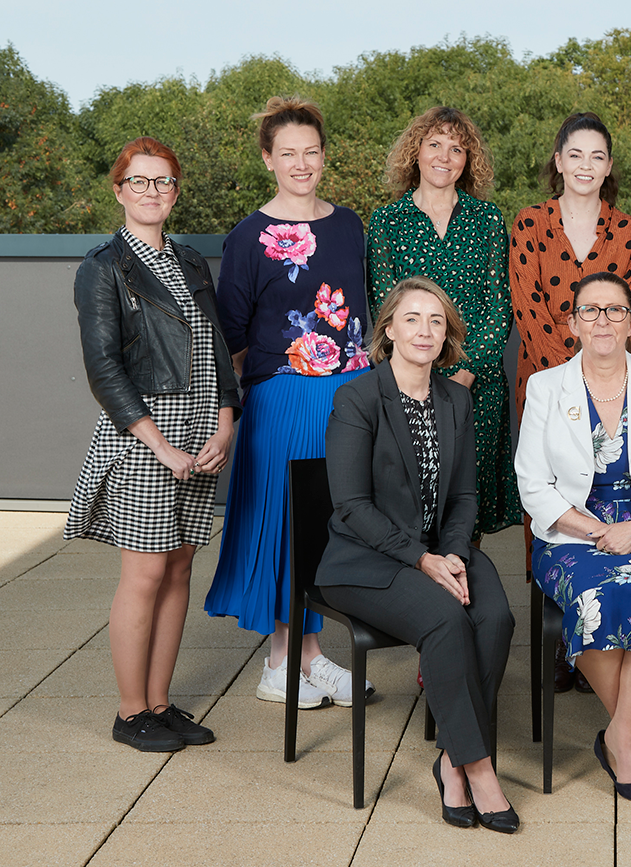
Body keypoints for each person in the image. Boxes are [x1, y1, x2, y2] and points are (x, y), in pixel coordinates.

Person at [317, 277, 517, 833]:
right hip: (365, 561)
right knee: (447, 620)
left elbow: (465, 496)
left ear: (448, 333)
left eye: (436, 321)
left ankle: (450, 756)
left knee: (496, 616)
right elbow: (351, 506)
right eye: (412, 319)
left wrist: (451, 553)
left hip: (439, 550)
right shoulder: (357, 397)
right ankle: (476, 770)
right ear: (388, 329)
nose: (424, 331)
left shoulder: (456, 397)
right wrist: (422, 560)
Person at [65, 137, 242, 751]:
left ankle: (162, 704)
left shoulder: (192, 262)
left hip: (201, 428)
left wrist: (225, 420)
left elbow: (217, 350)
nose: (152, 192)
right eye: (139, 181)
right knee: (143, 574)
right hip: (146, 432)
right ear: (119, 190)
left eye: (163, 181)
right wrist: (160, 444)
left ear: (175, 190)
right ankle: (129, 711)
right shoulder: (101, 266)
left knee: (179, 567)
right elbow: (104, 369)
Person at [205, 96, 372, 710]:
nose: (301, 163)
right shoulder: (249, 237)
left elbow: (362, 313)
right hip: (283, 399)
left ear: (324, 156)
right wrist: (240, 413)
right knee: (286, 525)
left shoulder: (350, 224)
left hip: (350, 394)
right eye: (288, 153)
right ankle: (279, 662)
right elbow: (233, 338)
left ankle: (310, 657)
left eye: (311, 151)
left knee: (332, 522)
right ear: (268, 159)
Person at [516, 273, 631, 802]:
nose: (603, 320)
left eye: (615, 310)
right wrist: (606, 533)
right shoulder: (546, 386)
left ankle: (621, 736)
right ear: (572, 322)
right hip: (574, 535)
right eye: (590, 310)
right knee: (595, 595)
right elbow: (533, 484)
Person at [509, 111, 631, 694]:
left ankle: (603, 632)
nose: (586, 165)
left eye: (598, 156)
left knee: (608, 491)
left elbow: (625, 310)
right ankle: (559, 644)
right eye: (576, 154)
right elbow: (528, 306)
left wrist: (599, 374)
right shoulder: (528, 223)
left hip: (615, 386)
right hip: (543, 381)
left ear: (608, 166)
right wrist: (569, 379)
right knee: (548, 497)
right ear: (558, 160)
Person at [368, 106, 520, 541]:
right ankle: (417, 602)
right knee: (409, 506)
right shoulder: (386, 222)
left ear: (468, 161)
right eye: (434, 144)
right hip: (410, 387)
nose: (444, 156)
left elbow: (500, 307)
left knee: (463, 514)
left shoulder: (487, 219)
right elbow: (387, 308)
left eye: (457, 149)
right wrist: (426, 381)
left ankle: (465, 601)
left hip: (478, 384)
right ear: (415, 151)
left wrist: (462, 377)